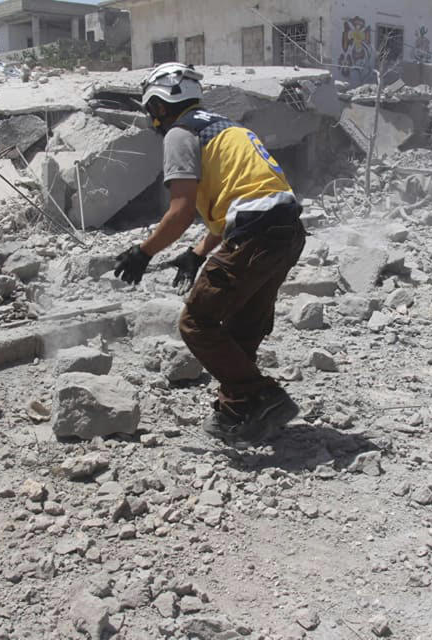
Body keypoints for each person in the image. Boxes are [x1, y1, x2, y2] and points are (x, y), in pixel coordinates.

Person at [113, 63, 306, 444]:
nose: (152, 117)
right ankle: (238, 410)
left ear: (159, 105)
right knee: (241, 327)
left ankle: (263, 395)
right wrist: (196, 253)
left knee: (197, 322)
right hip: (286, 231)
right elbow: (236, 204)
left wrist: (143, 251)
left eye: (151, 108)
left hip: (255, 232)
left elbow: (181, 209)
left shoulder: (181, 133)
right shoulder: (226, 128)